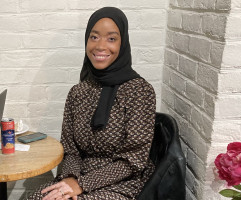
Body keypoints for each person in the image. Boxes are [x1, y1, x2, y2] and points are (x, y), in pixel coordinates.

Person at [28, 7, 156, 200]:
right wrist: (71, 178)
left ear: (123, 44)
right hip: (79, 175)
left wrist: (82, 185)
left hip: (124, 182)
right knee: (37, 197)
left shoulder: (139, 91)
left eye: (111, 38)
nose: (100, 46)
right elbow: (70, 150)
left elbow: (133, 160)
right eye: (94, 37)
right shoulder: (78, 93)